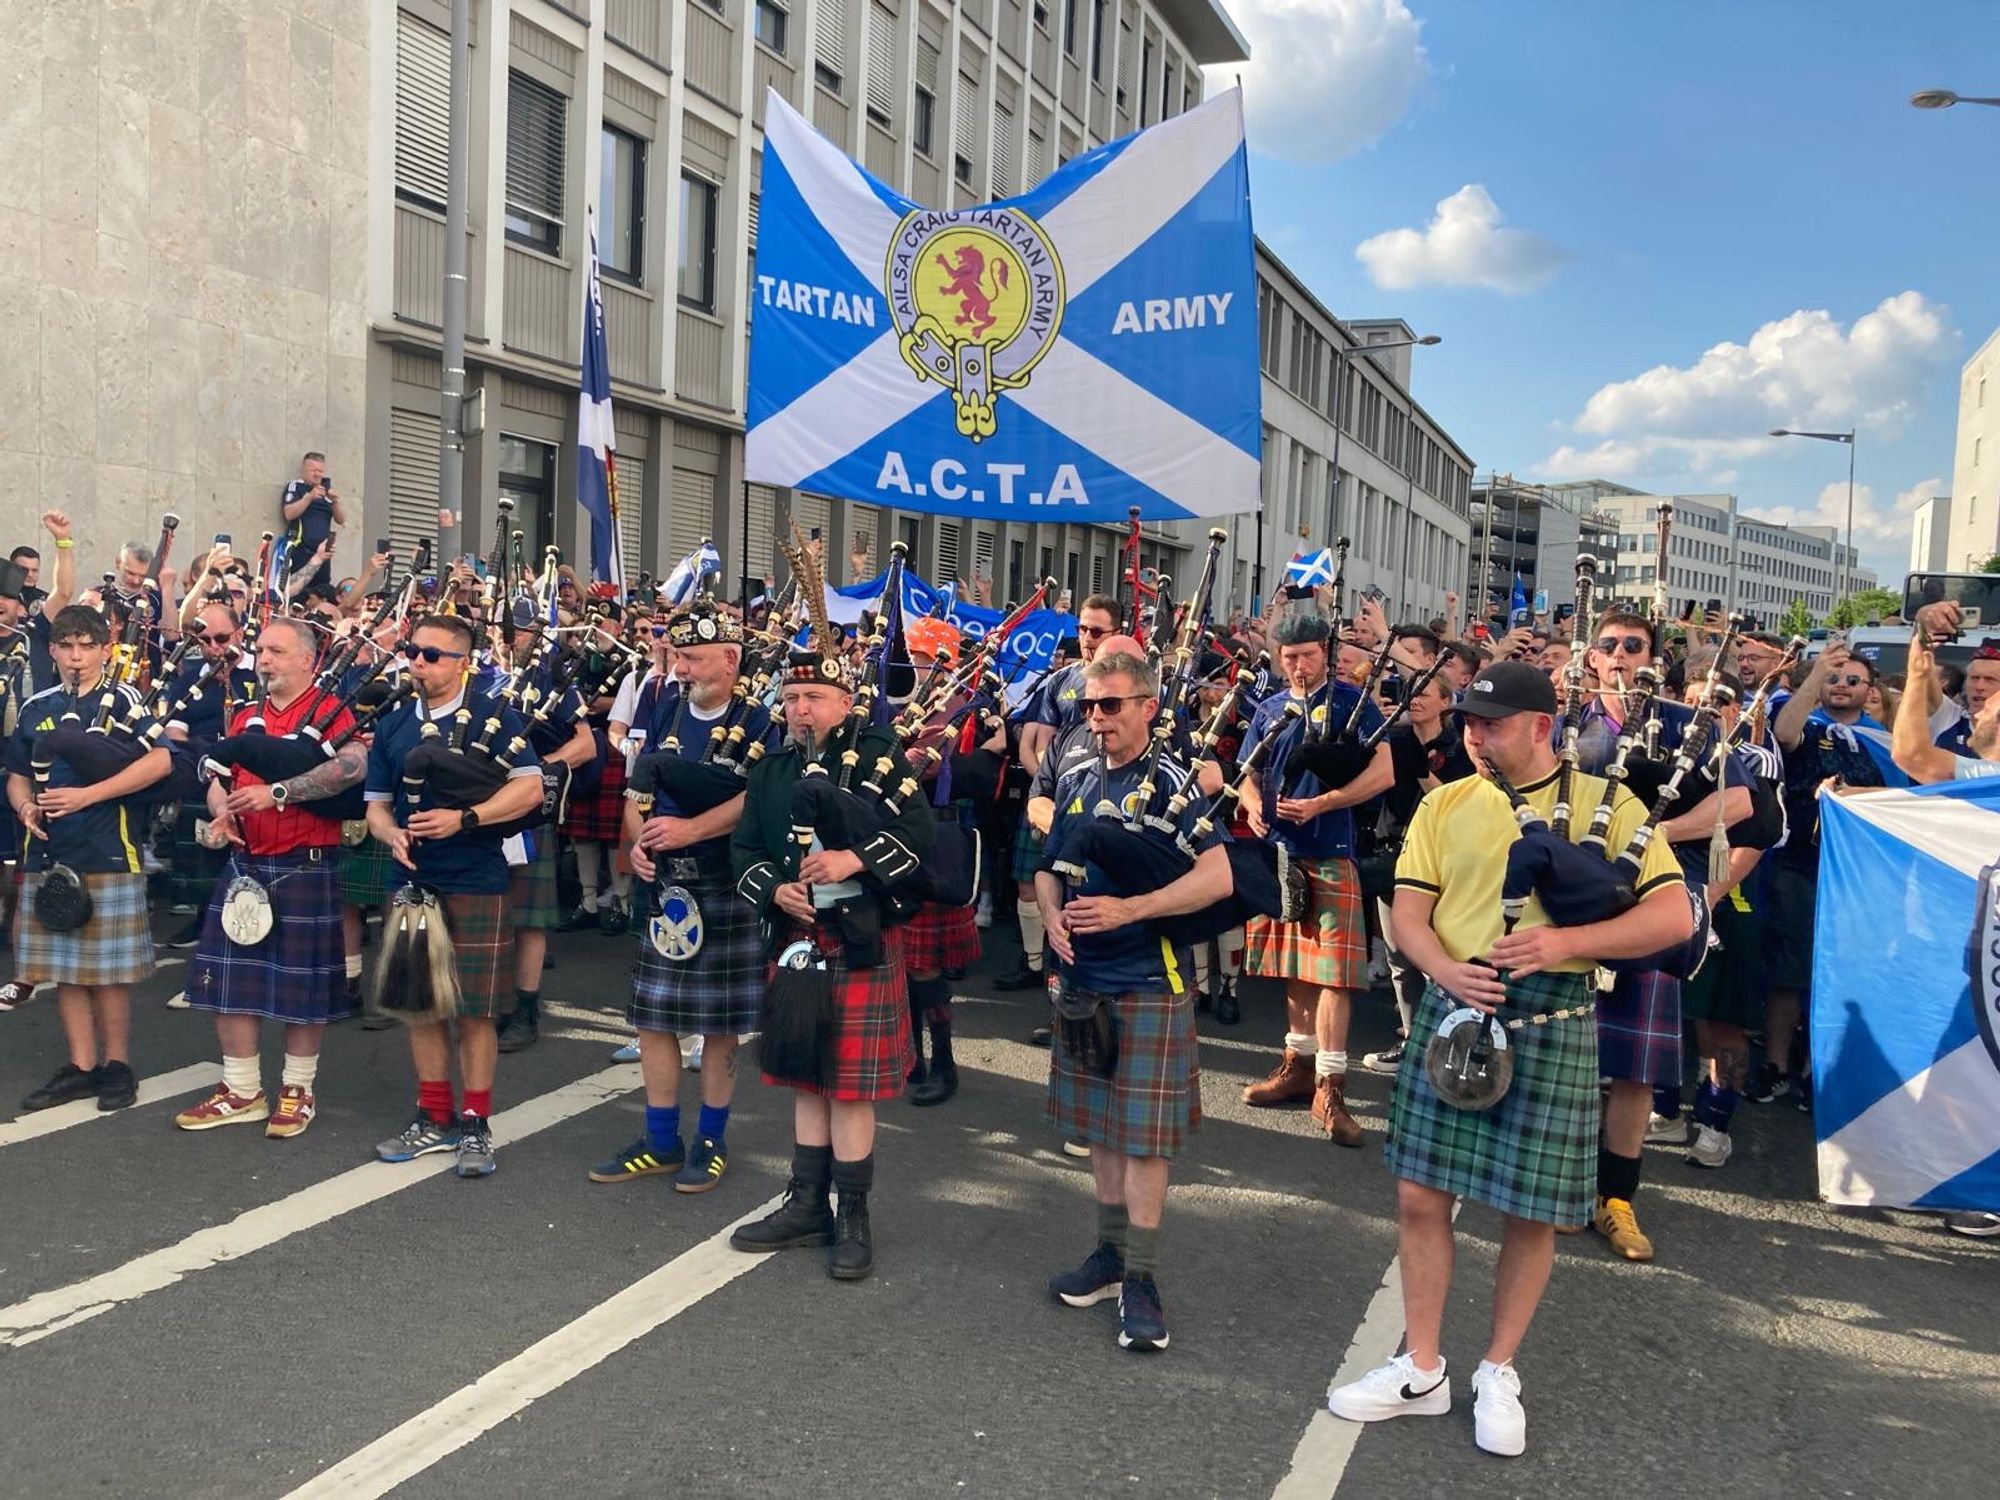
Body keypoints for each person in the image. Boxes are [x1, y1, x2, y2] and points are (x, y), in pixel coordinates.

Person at [1328, 662, 1690, 1457]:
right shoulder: (1445, 802)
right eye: (1467, 723)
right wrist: (1441, 968)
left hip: (1555, 1010)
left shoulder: (1610, 803)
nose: (1474, 737)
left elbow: (1672, 916)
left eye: (1489, 724)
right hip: (1457, 1003)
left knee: (1533, 1213)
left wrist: (1568, 942)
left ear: (1539, 725)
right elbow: (1410, 911)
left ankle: (1499, 1368)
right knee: (1421, 1195)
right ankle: (1421, 1368)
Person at [1037, 650, 1232, 1353]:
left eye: (1110, 705)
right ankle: (1111, 1256)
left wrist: (1133, 909)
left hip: (1152, 980)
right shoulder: (1080, 776)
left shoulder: (1173, 784)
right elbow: (1049, 863)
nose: (1096, 718)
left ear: (1148, 706)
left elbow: (1217, 876)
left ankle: (1143, 1277)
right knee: (1099, 1128)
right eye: (1087, 706)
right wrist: (1054, 915)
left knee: (1143, 1139)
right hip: (1085, 981)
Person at [727, 644, 934, 1280]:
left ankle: (853, 1215)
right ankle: (807, 1203)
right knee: (804, 1073)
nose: (799, 709)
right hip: (796, 937)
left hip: (858, 936)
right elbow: (745, 848)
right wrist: (774, 888)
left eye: (813, 698)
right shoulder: (770, 769)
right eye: (790, 698)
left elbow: (923, 840)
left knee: (849, 1086)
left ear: (846, 703)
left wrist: (856, 860)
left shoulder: (876, 756)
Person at [1566, 611, 1750, 1260]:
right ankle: (1565, 1186)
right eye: (1608, 646)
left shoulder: (1681, 723)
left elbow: (1740, 803)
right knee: (1569, 1059)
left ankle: (1616, 1199)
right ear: (1592, 658)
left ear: (1653, 658)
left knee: (1635, 1073)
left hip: (1649, 908)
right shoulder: (1569, 721)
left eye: (1633, 646)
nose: (1619, 655)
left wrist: (1651, 830)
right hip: (1571, 907)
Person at [589, 599, 770, 1193]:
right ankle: (661, 1140)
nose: (683, 669)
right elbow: (637, 794)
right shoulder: (665, 707)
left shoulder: (761, 721)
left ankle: (711, 1141)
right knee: (653, 1020)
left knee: (719, 1026)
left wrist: (691, 830)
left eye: (693, 658)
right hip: (665, 883)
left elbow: (758, 800)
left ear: (730, 658)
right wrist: (639, 845)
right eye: (676, 657)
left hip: (725, 882)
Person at [363, 615, 545, 1177]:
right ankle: (434, 1117)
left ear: (463, 661)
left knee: (475, 1011)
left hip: (475, 877)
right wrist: (390, 832)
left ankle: (475, 1123)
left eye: (432, 655)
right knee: (420, 1006)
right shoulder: (395, 724)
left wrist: (467, 817)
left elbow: (530, 788)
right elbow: (374, 804)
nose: (418, 662)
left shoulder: (496, 716)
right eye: (413, 652)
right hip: (411, 879)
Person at [174, 617, 364, 1136]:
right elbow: (216, 772)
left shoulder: (333, 713)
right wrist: (222, 808)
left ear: (308, 659)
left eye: (277, 651)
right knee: (230, 980)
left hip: (305, 861)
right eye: (260, 650)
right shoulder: (246, 715)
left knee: (303, 989)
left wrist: (278, 792)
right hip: (246, 862)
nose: (264, 659)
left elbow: (352, 769)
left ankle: (298, 1090)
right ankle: (241, 1089)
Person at [7, 605, 175, 1112]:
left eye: (87, 646)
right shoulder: (37, 705)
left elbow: (161, 759)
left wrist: (90, 795)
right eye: (67, 646)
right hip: (48, 850)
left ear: (105, 649)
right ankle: (82, 1066)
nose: (77, 657)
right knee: (65, 969)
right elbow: (16, 771)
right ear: (53, 651)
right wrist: (25, 806)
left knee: (107, 973)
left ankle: (116, 1065)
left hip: (107, 848)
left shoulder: (123, 699)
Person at [1238, 611, 1393, 1144]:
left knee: (1334, 975)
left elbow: (1384, 772)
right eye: (1289, 657)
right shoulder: (1270, 709)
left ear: (1324, 653)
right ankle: (1297, 1066)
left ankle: (1331, 1085)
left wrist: (1326, 801)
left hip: (1331, 851)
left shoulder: (1353, 702)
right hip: (1280, 851)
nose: (1298, 666)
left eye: (1307, 655)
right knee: (1296, 969)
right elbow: (1248, 777)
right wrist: (1255, 806)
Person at [1761, 642, 1906, 1110]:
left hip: (1858, 878)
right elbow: (1784, 734)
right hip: (1799, 865)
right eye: (1834, 679)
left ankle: (1817, 1073)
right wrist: (1815, 675)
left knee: (1837, 974)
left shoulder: (1886, 743)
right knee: (1789, 970)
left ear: (1870, 691)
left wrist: (1852, 794)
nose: (1841, 686)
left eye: (1852, 680)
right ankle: (1776, 1066)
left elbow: (1900, 804)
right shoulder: (1808, 724)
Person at [998, 593, 1122, 991]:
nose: (1087, 637)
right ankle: (1034, 963)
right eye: (1082, 628)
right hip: (1054, 800)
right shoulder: (1060, 681)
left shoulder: (1132, 683)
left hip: (1106, 804)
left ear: (1117, 632)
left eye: (1097, 630)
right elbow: (1043, 745)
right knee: (1032, 882)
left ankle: (1074, 979)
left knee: (1087, 891)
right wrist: (1047, 791)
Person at [1361, 672, 1474, 1075]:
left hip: (1442, 862)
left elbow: (1456, 805)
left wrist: (1420, 772)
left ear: (1446, 701)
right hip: (1394, 852)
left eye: (1424, 694)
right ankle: (1412, 1040)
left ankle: (1450, 1045)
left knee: (1439, 956)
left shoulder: (1461, 745)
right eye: (1410, 693)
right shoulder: (1394, 738)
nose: (1414, 700)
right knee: (1399, 957)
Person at [160, 602, 260, 948]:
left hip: (256, 775)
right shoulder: (190, 678)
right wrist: (211, 760)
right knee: (203, 855)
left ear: (239, 633)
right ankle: (204, 918)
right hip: (205, 772)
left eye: (221, 638)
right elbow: (174, 733)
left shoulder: (261, 672)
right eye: (204, 640)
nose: (214, 648)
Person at [280, 452, 345, 596]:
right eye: (313, 470)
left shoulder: (327, 491)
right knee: (296, 594)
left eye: (320, 471)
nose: (317, 474)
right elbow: (289, 514)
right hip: (300, 550)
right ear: (304, 470)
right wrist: (309, 497)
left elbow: (341, 520)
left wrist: (335, 501)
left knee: (322, 594)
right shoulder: (295, 486)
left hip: (323, 553)